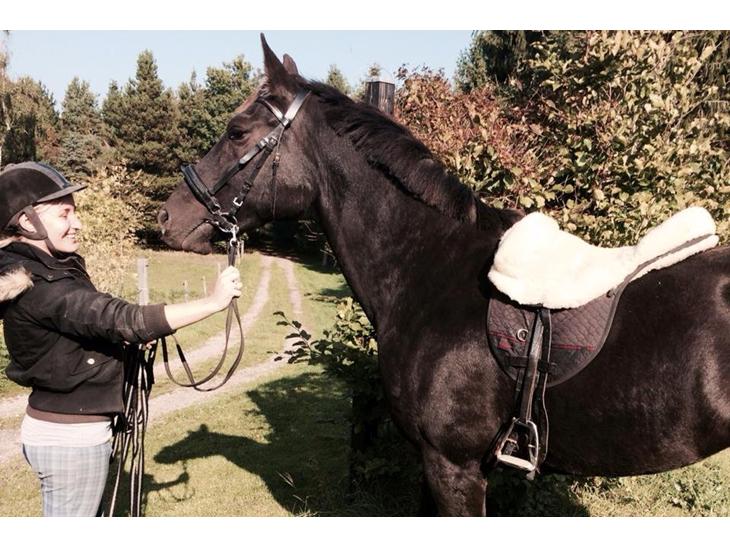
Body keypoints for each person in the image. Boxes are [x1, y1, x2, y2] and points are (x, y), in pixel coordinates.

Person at [0, 161, 241, 517]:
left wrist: (122, 343)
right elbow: (122, 320)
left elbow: (83, 333)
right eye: (65, 214)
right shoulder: (43, 287)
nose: (77, 223)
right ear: (26, 221)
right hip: (71, 440)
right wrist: (212, 303)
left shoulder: (50, 271)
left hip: (68, 432)